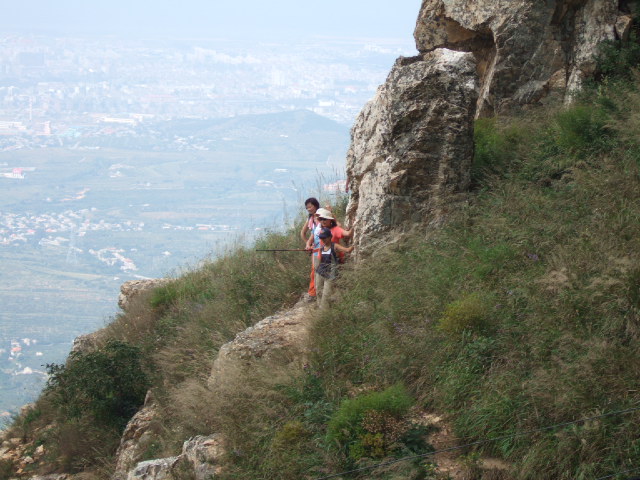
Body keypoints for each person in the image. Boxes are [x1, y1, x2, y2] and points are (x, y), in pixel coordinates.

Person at [314, 227, 354, 308]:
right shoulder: (322, 248)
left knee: (326, 295)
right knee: (318, 291)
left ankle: (324, 311)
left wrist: (354, 244)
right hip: (320, 273)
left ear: (330, 237)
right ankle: (319, 308)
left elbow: (347, 250)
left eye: (324, 238)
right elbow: (319, 261)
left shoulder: (335, 246)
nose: (323, 239)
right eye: (321, 238)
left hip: (330, 275)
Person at [300, 198, 320, 298]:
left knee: (317, 272)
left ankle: (314, 293)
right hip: (316, 250)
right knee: (314, 272)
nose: (308, 209)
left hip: (323, 249)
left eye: (310, 207)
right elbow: (304, 233)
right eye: (307, 208)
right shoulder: (311, 219)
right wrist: (308, 244)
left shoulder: (321, 216)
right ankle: (313, 293)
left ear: (315, 205)